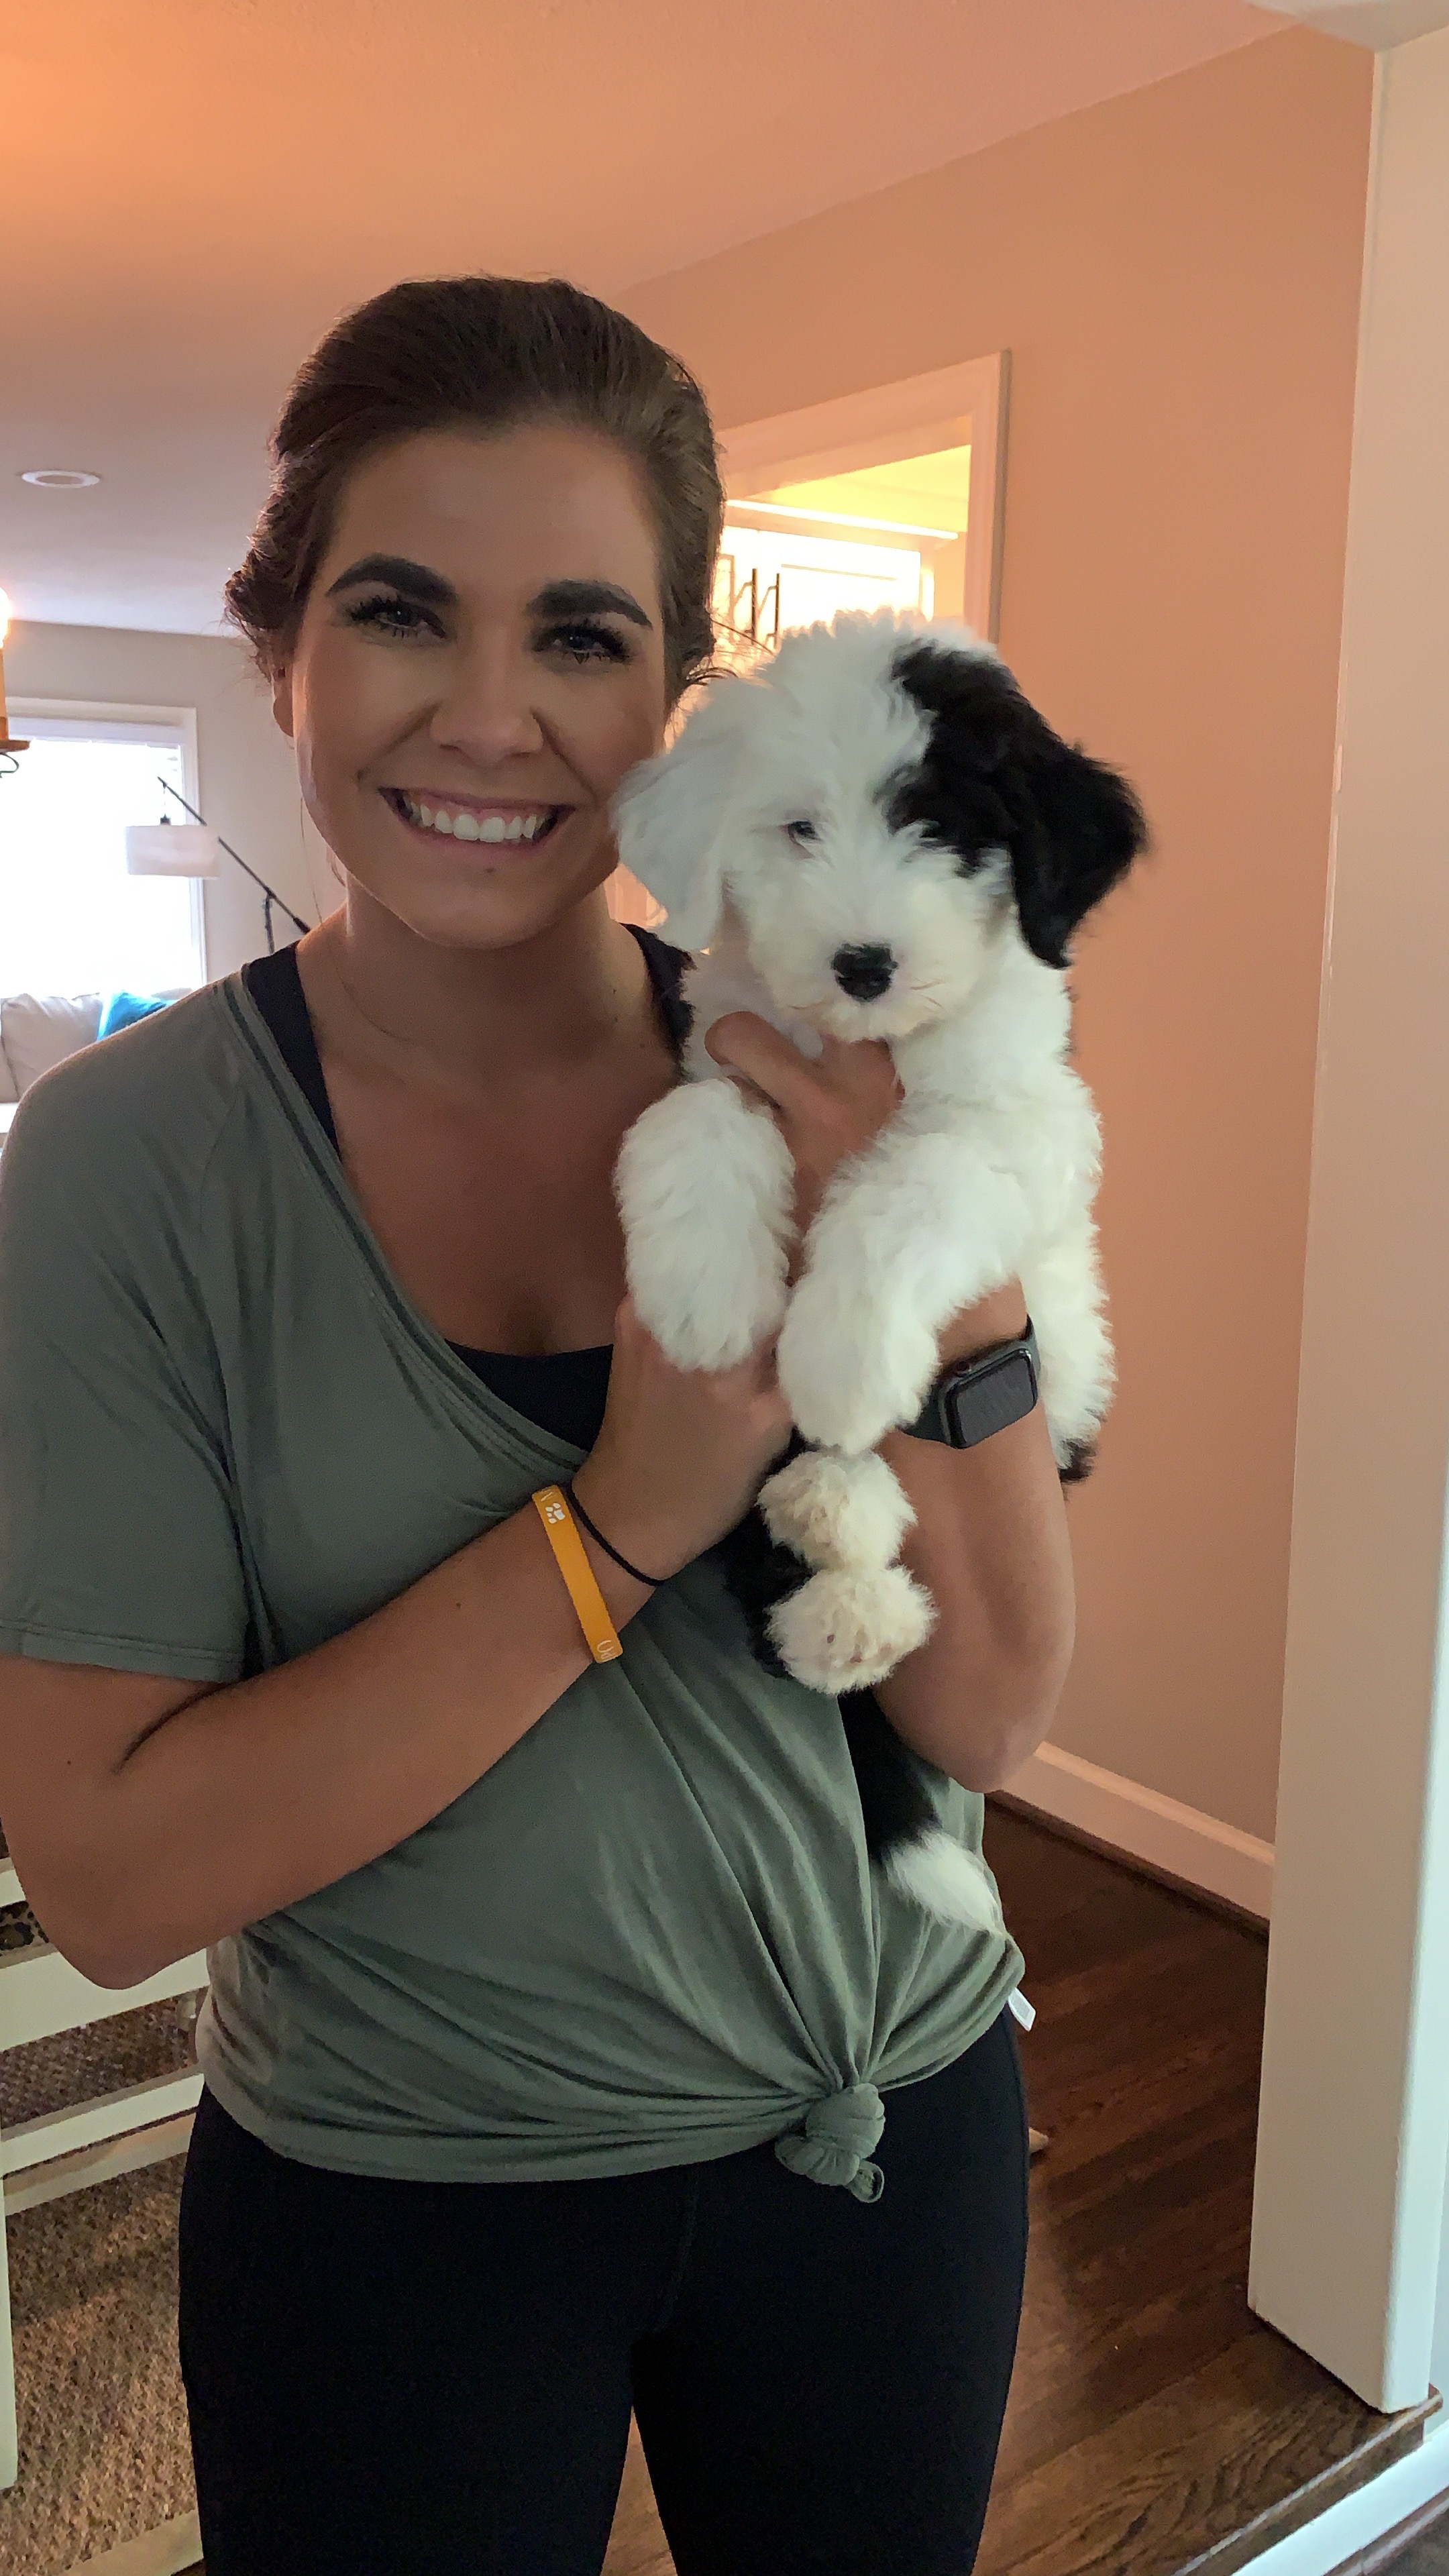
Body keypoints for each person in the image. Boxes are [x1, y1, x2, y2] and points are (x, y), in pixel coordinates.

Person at [0, 276, 1075, 2576]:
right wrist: (619, 1524)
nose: (490, 716)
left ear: (671, 706)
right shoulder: (122, 1170)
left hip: (883, 2138)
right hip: (404, 2204)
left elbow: (987, 1708)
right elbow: (105, 1885)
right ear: (282, 651)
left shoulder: (832, 1068)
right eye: (401, 611)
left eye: (581, 636)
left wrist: (942, 1230)